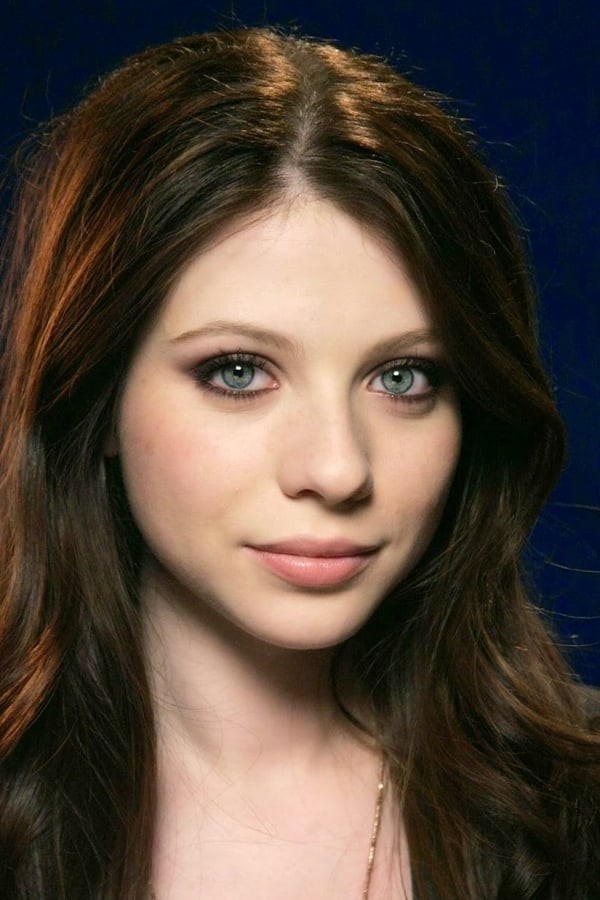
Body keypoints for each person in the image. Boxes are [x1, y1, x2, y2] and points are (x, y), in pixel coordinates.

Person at [0, 26, 598, 900]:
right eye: (239, 372)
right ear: (98, 398)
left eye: (403, 377)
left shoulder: (575, 809)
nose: (338, 468)